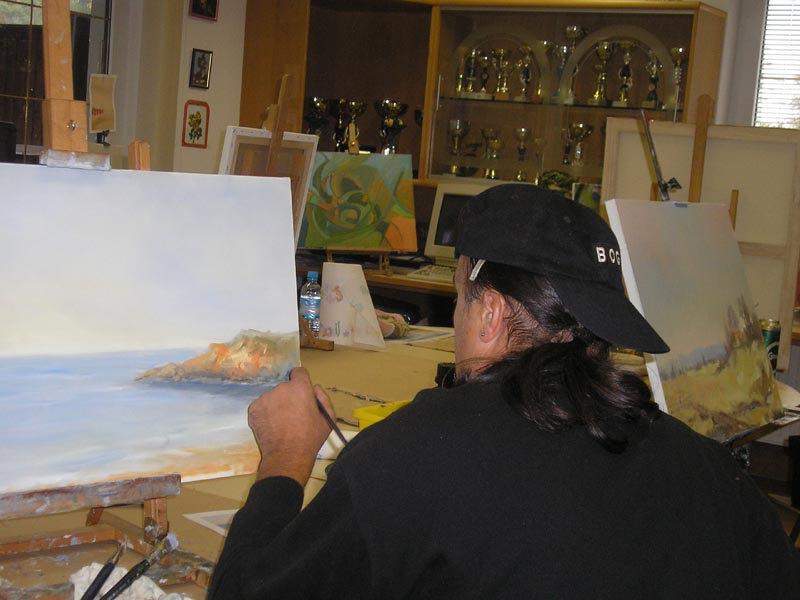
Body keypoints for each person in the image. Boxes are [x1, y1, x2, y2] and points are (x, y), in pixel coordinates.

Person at [208, 184, 800, 599]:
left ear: (488, 312)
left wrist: (286, 457)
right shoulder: (712, 472)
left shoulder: (415, 457)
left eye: (460, 298)